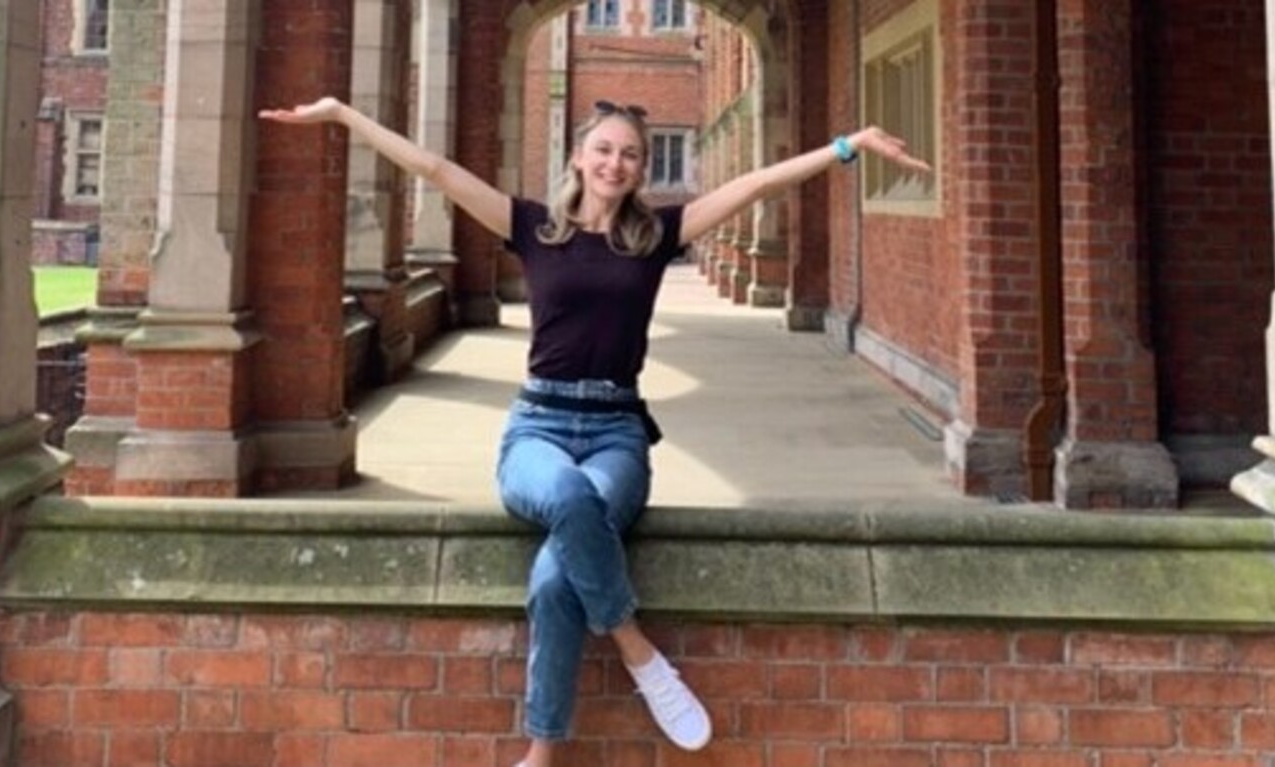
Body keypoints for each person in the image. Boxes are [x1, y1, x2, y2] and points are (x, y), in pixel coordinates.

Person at [260, 95, 929, 766]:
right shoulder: (532, 227)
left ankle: (542, 751)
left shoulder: (655, 236)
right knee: (571, 500)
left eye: (631, 154)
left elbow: (753, 184)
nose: (616, 162)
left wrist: (849, 145)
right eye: (604, 149)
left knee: (556, 577)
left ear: (640, 171)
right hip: (537, 430)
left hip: (617, 433)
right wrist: (345, 117)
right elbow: (434, 168)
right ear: (578, 157)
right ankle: (637, 647)